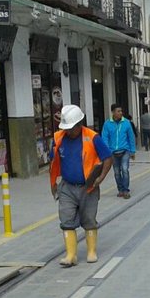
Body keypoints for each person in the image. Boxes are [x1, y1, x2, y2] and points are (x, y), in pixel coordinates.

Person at [50, 104, 113, 267]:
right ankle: (71, 255)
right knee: (66, 219)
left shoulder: (93, 138)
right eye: (66, 128)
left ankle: (91, 251)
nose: (68, 131)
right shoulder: (58, 138)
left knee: (89, 218)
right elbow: (53, 161)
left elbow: (108, 158)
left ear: (79, 124)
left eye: (71, 128)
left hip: (88, 187)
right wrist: (53, 183)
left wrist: (101, 178)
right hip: (67, 187)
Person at [101, 104, 135, 201]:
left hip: (125, 150)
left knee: (124, 169)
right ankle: (120, 190)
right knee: (116, 172)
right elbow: (104, 138)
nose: (120, 113)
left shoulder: (126, 123)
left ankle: (126, 190)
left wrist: (132, 151)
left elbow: (131, 137)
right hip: (113, 152)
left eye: (121, 111)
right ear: (113, 112)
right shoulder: (107, 124)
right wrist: (107, 151)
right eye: (118, 111)